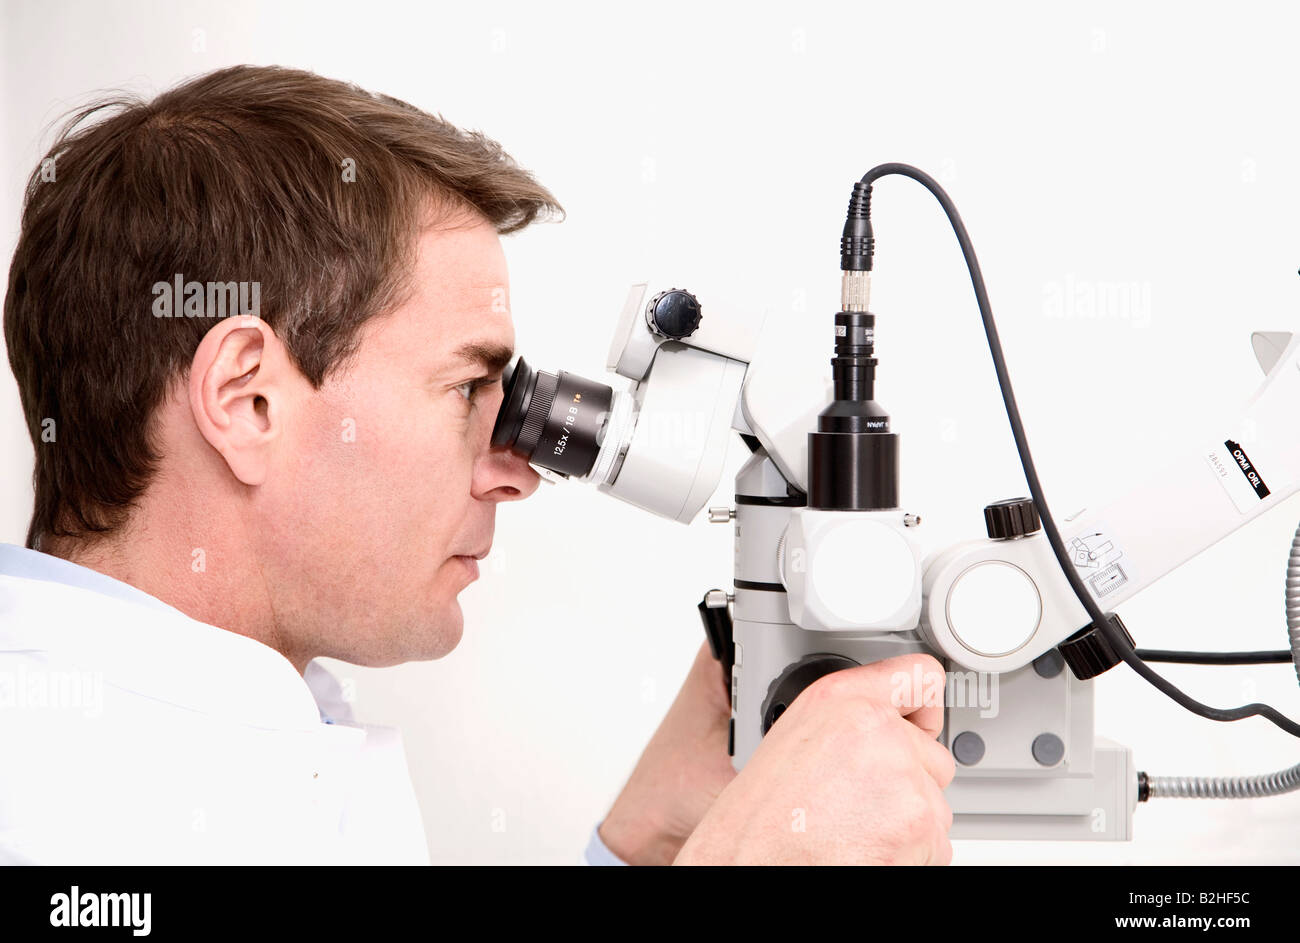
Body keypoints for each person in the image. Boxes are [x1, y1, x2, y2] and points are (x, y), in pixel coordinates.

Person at [0, 64, 954, 865]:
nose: (517, 471)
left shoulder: (215, 720)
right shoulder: (58, 796)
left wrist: (641, 845)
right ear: (248, 401)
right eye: (467, 390)